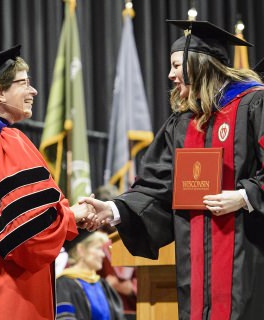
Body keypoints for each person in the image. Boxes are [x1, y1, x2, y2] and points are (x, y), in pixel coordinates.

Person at [81, 20, 264, 320]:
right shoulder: (182, 124)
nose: (170, 75)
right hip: (193, 268)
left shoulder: (253, 104)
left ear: (199, 65)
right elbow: (157, 186)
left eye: (177, 65)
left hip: (248, 257)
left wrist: (244, 196)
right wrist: (114, 209)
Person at [0, 45, 96, 320]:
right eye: (24, 83)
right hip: (6, 295)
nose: (33, 91)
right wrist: (73, 215)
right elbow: (31, 236)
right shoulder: (6, 141)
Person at [56, 230, 126, 320]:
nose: (103, 255)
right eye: (98, 248)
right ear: (80, 249)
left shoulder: (103, 285)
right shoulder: (63, 285)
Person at [95, 185, 137, 320]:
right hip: (105, 309)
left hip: (136, 309)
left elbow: (152, 276)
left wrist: (132, 288)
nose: (108, 221)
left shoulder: (134, 238)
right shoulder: (92, 242)